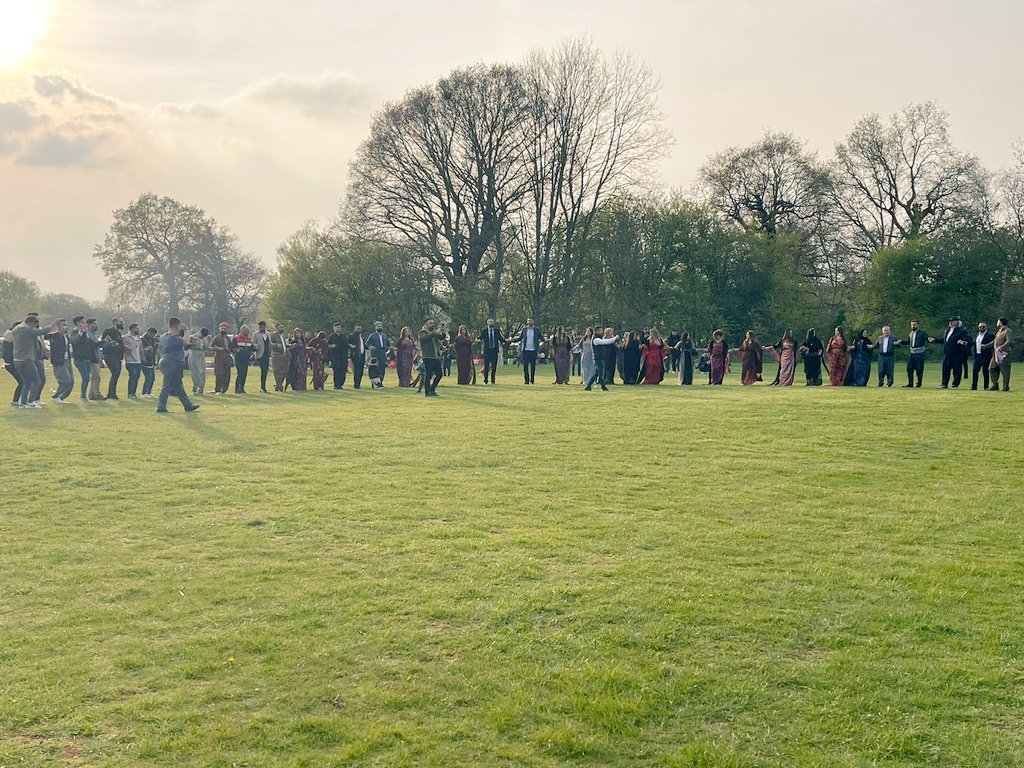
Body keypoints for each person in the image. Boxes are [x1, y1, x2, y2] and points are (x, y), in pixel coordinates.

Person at [156, 318, 200, 414]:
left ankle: (188, 405)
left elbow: (159, 349)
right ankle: (161, 407)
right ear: (176, 325)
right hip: (172, 363)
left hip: (165, 361)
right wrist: (186, 331)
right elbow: (186, 343)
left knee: (178, 386)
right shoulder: (174, 337)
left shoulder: (163, 337)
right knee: (167, 385)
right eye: (180, 325)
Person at [11, 315, 55, 408]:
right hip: (27, 359)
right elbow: (44, 331)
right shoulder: (27, 330)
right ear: (31, 323)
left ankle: (23, 403)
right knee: (36, 380)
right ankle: (30, 402)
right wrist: (54, 323)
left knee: (26, 381)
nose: (35, 327)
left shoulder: (16, 329)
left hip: (17, 360)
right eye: (35, 325)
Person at [934, 317, 970, 389]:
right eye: (950, 321)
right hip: (947, 353)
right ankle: (944, 383)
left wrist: (962, 342)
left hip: (956, 354)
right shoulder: (947, 330)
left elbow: (967, 339)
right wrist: (934, 340)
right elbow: (944, 340)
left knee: (957, 370)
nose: (950, 322)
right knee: (945, 369)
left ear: (957, 322)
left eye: (952, 321)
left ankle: (955, 384)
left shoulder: (961, 331)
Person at [45, 318, 74, 403]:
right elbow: (43, 335)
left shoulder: (66, 336)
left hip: (67, 360)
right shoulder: (55, 335)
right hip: (59, 361)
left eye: (66, 325)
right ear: (58, 326)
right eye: (63, 325)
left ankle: (60, 398)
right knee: (65, 381)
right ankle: (55, 396)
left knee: (71, 382)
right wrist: (53, 326)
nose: (66, 327)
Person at [584, 327, 619, 391]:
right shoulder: (596, 340)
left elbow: (605, 341)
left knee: (597, 373)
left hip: (601, 358)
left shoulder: (599, 338)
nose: (602, 332)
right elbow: (605, 342)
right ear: (597, 331)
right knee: (601, 374)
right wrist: (615, 338)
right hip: (598, 358)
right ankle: (603, 387)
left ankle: (588, 386)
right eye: (600, 331)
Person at [897, 320, 929, 388]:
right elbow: (908, 342)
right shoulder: (911, 333)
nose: (913, 326)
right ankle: (910, 383)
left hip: (919, 354)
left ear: (918, 325)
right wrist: (901, 341)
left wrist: (930, 339)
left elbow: (927, 338)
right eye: (912, 325)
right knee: (909, 368)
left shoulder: (922, 333)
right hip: (912, 353)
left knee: (919, 369)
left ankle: (919, 383)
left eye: (914, 325)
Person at [419, 319, 446, 397]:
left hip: (435, 357)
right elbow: (425, 338)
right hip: (428, 356)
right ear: (426, 324)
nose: (432, 324)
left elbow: (441, 337)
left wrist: (443, 331)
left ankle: (432, 389)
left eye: (433, 323)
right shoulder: (422, 332)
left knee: (440, 374)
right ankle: (427, 392)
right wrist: (435, 332)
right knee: (428, 375)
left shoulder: (433, 332)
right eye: (430, 323)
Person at [100, 317, 125, 400]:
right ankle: (111, 394)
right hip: (110, 356)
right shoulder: (108, 331)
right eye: (120, 322)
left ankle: (112, 393)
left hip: (117, 357)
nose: (122, 323)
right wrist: (110, 343)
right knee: (115, 373)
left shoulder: (118, 333)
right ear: (115, 322)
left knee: (116, 374)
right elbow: (102, 342)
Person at [478, 319, 506, 385]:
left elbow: (501, 339)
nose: (492, 323)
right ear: (487, 323)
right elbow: (480, 338)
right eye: (490, 322)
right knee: (486, 366)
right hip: (487, 351)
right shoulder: (484, 331)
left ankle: (493, 380)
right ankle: (485, 380)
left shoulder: (496, 331)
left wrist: (507, 340)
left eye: (493, 322)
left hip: (494, 351)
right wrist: (478, 340)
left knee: (494, 366)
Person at [989, 317, 1012, 391]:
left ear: (1001, 322)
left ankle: (1006, 386)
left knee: (1004, 370)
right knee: (992, 368)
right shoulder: (999, 331)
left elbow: (1008, 341)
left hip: (1003, 353)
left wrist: (1001, 348)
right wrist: (985, 346)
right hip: (995, 353)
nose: (997, 323)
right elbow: (994, 342)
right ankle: (995, 384)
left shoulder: (1008, 331)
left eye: (998, 322)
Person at [84, 318, 104, 400]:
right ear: (89, 325)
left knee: (94, 377)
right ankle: (97, 394)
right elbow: (92, 345)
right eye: (94, 324)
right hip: (92, 358)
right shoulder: (87, 334)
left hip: (96, 358)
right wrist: (103, 342)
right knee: (96, 377)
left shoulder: (94, 334)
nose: (96, 325)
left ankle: (92, 394)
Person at [366, 322, 392, 387]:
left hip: (382, 353)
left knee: (382, 368)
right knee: (375, 368)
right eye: (378, 326)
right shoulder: (372, 335)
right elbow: (366, 344)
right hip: (375, 353)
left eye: (380, 326)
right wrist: (370, 347)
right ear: (375, 327)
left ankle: (380, 382)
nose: (379, 327)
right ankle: (375, 383)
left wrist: (389, 348)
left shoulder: (385, 336)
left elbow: (388, 345)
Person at [186, 328, 211, 396]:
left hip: (201, 356)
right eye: (202, 335)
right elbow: (186, 346)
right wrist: (190, 342)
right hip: (193, 356)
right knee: (195, 373)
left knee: (202, 373)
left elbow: (207, 347)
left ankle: (200, 389)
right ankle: (195, 389)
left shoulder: (205, 338)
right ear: (199, 332)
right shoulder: (192, 337)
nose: (202, 337)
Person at [971, 321, 995, 391]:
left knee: (985, 371)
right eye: (980, 327)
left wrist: (985, 347)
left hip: (985, 356)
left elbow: (992, 345)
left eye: (983, 327)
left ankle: (986, 386)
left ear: (986, 327)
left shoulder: (989, 335)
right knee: (975, 371)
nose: (981, 328)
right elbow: (974, 343)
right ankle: (974, 386)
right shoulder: (977, 335)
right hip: (977, 356)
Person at [210, 322, 233, 395]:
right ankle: (218, 390)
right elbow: (211, 347)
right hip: (219, 358)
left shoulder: (228, 339)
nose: (223, 330)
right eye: (222, 328)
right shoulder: (216, 338)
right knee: (219, 374)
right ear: (219, 329)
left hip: (227, 358)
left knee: (227, 375)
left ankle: (224, 390)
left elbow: (230, 348)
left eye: (225, 329)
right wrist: (218, 348)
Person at [122, 323, 143, 399]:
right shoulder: (126, 337)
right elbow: (125, 348)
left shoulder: (138, 337)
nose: (138, 330)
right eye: (137, 328)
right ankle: (130, 393)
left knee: (137, 376)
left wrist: (142, 356)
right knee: (133, 376)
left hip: (138, 360)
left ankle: (134, 392)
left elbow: (140, 348)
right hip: (130, 361)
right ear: (132, 329)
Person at [233, 325, 256, 394]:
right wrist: (236, 350)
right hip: (239, 359)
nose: (248, 332)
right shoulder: (236, 338)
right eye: (246, 330)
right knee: (240, 373)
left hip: (246, 359)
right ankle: (237, 388)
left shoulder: (249, 339)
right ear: (242, 331)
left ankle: (242, 388)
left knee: (244, 374)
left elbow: (252, 348)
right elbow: (232, 347)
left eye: (248, 331)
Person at [326, 324, 349, 390]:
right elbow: (327, 345)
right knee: (337, 371)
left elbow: (346, 344)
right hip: (335, 356)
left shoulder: (343, 336)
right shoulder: (331, 337)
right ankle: (336, 385)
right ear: (334, 328)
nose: (338, 329)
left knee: (343, 371)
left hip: (343, 356)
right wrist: (331, 346)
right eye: (337, 327)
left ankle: (341, 384)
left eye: (339, 327)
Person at [518, 318, 541, 384]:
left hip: (533, 351)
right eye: (528, 321)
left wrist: (545, 340)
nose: (529, 322)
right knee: (525, 366)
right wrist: (512, 340)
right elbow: (520, 338)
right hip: (525, 350)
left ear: (533, 321)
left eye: (530, 321)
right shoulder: (524, 329)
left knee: (533, 366)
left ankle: (532, 380)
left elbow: (541, 338)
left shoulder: (537, 330)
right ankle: (526, 380)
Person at [253, 320, 273, 393]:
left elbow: (270, 343)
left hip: (267, 354)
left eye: (262, 327)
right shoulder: (255, 334)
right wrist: (257, 346)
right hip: (260, 355)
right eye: (259, 327)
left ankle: (263, 387)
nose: (260, 328)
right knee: (263, 369)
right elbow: (254, 344)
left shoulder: (268, 334)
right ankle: (262, 387)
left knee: (265, 371)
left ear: (265, 327)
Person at [140, 327, 159, 399]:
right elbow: (141, 350)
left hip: (151, 361)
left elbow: (155, 349)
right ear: (148, 332)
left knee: (153, 378)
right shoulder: (142, 339)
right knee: (148, 377)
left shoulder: (153, 339)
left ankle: (149, 392)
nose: (153, 336)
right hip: (145, 361)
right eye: (152, 334)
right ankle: (143, 393)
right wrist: (146, 350)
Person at [270, 323, 289, 392]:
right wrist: (276, 345)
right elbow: (270, 344)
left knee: (285, 372)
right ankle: (280, 387)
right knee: (277, 372)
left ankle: (278, 385)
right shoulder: (273, 335)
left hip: (284, 355)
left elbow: (284, 345)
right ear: (276, 328)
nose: (282, 329)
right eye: (281, 327)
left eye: (283, 327)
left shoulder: (283, 336)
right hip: (277, 355)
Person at [348, 324, 366, 389]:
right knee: (357, 371)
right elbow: (346, 343)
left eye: (360, 329)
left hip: (362, 356)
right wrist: (351, 346)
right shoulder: (351, 336)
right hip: (355, 356)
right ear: (354, 328)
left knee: (361, 371)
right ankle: (356, 385)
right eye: (357, 328)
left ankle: (359, 383)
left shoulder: (362, 337)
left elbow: (363, 346)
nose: (359, 330)